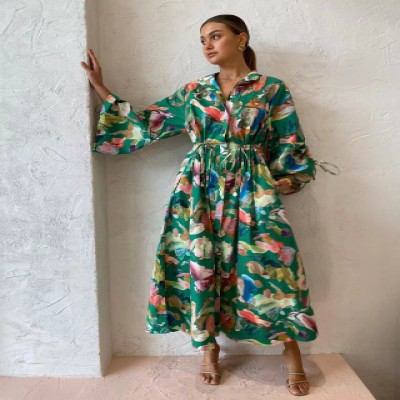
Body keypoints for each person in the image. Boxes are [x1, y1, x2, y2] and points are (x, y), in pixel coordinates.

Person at [81, 14, 339, 396]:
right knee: (201, 266)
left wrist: (288, 179)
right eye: (202, 39)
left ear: (241, 39)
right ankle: (209, 349)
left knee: (272, 268)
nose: (207, 45)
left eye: (215, 36)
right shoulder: (194, 92)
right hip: (198, 191)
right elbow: (147, 123)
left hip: (253, 191)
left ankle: (292, 355)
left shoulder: (271, 89)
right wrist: (101, 88)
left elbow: (291, 141)